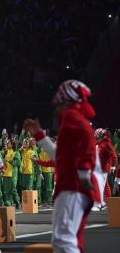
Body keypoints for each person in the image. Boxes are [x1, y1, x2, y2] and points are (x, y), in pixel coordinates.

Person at [24, 80, 100, 253]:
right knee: (69, 240)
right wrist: (40, 136)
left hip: (73, 185)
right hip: (73, 184)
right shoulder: (74, 120)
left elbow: (85, 147)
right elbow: (61, 157)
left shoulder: (73, 119)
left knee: (63, 240)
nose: (56, 108)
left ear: (67, 100)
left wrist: (83, 174)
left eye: (59, 103)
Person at [91, 128, 118, 211]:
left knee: (99, 185)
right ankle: (105, 203)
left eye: (97, 136)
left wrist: (113, 166)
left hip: (103, 168)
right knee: (105, 185)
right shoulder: (99, 143)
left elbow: (114, 155)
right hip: (98, 168)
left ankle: (98, 205)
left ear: (101, 136)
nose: (96, 137)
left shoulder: (106, 143)